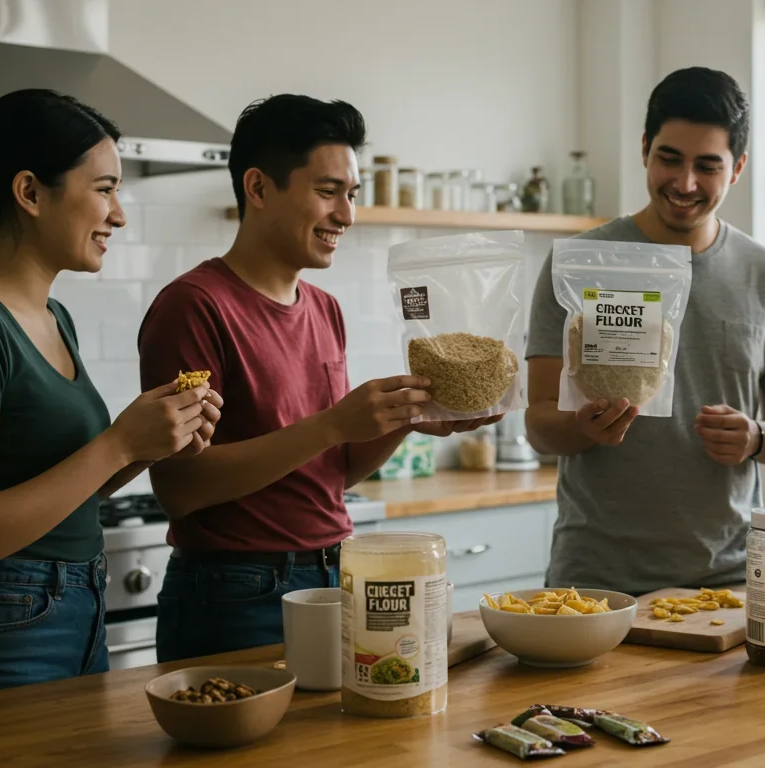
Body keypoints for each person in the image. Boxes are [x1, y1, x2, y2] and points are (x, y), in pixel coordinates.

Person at [138, 94, 497, 663]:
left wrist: (405, 419)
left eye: (351, 195)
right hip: (236, 593)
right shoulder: (193, 306)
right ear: (258, 188)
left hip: (335, 572)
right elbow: (181, 489)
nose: (347, 215)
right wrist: (332, 425)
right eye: (328, 192)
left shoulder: (324, 308)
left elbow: (333, 470)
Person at [0, 89, 218, 704]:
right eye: (104, 188)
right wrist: (120, 440)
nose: (119, 215)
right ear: (30, 193)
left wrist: (153, 443)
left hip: (75, 611)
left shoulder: (53, 317)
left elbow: (67, 488)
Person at [525, 67, 765, 594]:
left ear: (738, 167)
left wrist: (757, 436)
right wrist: (585, 428)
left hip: (730, 576)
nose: (685, 184)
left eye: (708, 166)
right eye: (669, 159)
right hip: (595, 579)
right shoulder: (581, 263)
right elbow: (539, 423)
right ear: (644, 150)